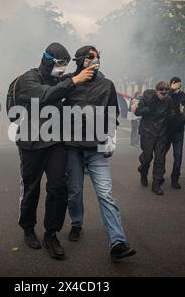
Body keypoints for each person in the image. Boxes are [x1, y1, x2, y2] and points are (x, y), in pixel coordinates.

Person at [11, 42, 93, 260]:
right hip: (31, 144)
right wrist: (72, 81)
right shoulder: (29, 79)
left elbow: (76, 80)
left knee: (58, 187)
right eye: (59, 63)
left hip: (55, 142)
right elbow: (45, 95)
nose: (62, 68)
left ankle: (51, 233)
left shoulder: (61, 80)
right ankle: (28, 228)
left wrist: (88, 63)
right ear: (47, 60)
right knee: (31, 187)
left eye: (66, 64)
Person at [64, 45, 136, 260]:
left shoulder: (106, 85)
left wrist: (110, 138)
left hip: (96, 148)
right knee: (75, 191)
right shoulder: (68, 83)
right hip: (72, 148)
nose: (95, 60)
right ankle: (76, 223)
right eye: (90, 57)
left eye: (98, 57)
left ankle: (118, 242)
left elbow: (112, 113)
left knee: (105, 193)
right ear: (79, 60)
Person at [135, 81, 174, 196]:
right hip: (147, 132)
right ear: (157, 90)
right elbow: (138, 112)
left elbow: (172, 112)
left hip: (161, 133)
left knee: (160, 159)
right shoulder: (147, 97)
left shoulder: (169, 100)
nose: (164, 92)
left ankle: (156, 185)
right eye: (161, 89)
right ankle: (143, 170)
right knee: (147, 157)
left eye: (166, 90)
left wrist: (171, 115)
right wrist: (149, 108)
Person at [167, 77, 185, 189]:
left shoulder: (183, 95)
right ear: (171, 83)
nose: (178, 85)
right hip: (166, 130)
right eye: (175, 83)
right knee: (161, 155)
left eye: (179, 83)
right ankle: (158, 176)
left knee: (178, 155)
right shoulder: (167, 93)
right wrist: (171, 90)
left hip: (179, 131)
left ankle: (175, 178)